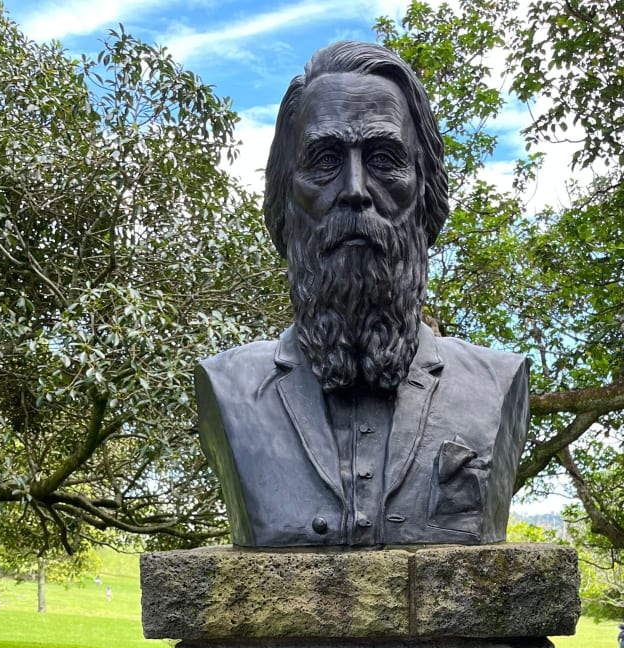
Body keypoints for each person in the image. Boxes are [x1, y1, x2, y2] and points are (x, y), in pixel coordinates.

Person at [196, 41, 530, 548]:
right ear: (286, 198)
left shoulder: (495, 383)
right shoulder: (229, 387)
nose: (355, 188)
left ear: (425, 194)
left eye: (383, 158)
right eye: (325, 159)